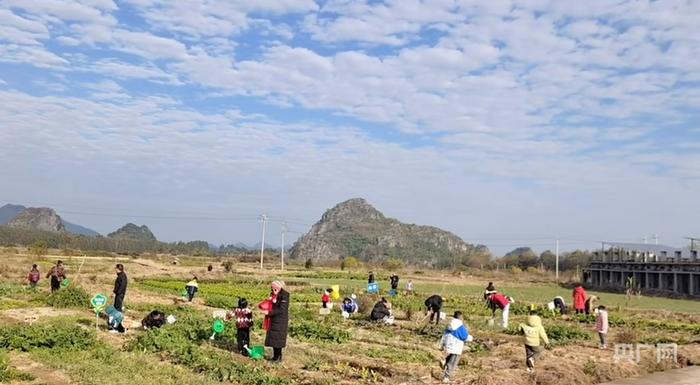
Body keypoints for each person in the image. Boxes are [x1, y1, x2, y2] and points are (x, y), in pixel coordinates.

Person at [440, 311, 471, 383]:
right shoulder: (460, 326)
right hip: (456, 346)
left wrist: (442, 345)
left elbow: (444, 335)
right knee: (453, 362)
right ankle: (446, 377)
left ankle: (444, 362)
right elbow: (464, 337)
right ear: (460, 317)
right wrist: (471, 338)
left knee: (450, 357)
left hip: (448, 344)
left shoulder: (450, 324)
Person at [262, 280, 289, 363]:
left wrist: (270, 312)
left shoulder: (285, 295)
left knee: (278, 339)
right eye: (272, 288)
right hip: (273, 319)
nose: (273, 289)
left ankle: (279, 357)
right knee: (274, 339)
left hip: (280, 320)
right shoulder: (273, 293)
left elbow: (282, 309)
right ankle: (275, 356)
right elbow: (271, 304)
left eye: (274, 288)